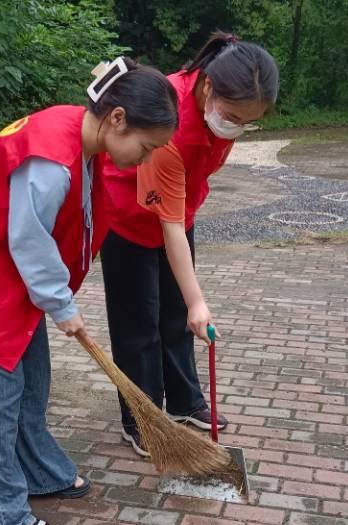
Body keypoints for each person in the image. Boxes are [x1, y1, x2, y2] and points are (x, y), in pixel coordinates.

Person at [0, 58, 178, 525]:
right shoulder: (50, 160)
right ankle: (1, 518)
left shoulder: (79, 133)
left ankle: (39, 470)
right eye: (145, 148)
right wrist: (61, 305)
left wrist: (54, 299)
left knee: (32, 378)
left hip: (7, 274)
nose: (141, 160)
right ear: (118, 118)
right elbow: (28, 240)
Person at [100, 33, 279, 457]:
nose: (235, 127)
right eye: (232, 116)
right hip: (127, 217)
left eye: (247, 122)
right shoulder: (171, 123)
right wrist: (200, 299)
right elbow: (169, 227)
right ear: (208, 87)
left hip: (178, 213)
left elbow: (178, 218)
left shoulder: (222, 110)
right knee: (139, 324)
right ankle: (141, 420)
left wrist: (191, 302)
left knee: (178, 314)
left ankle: (183, 402)